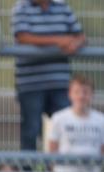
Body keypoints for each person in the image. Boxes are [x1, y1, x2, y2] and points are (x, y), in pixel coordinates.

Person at [12, 0, 85, 151]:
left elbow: (80, 35)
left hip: (60, 82)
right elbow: (23, 38)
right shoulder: (21, 8)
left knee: (66, 127)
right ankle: (27, 171)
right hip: (31, 83)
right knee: (31, 130)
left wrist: (75, 44)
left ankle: (62, 170)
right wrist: (59, 41)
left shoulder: (62, 7)